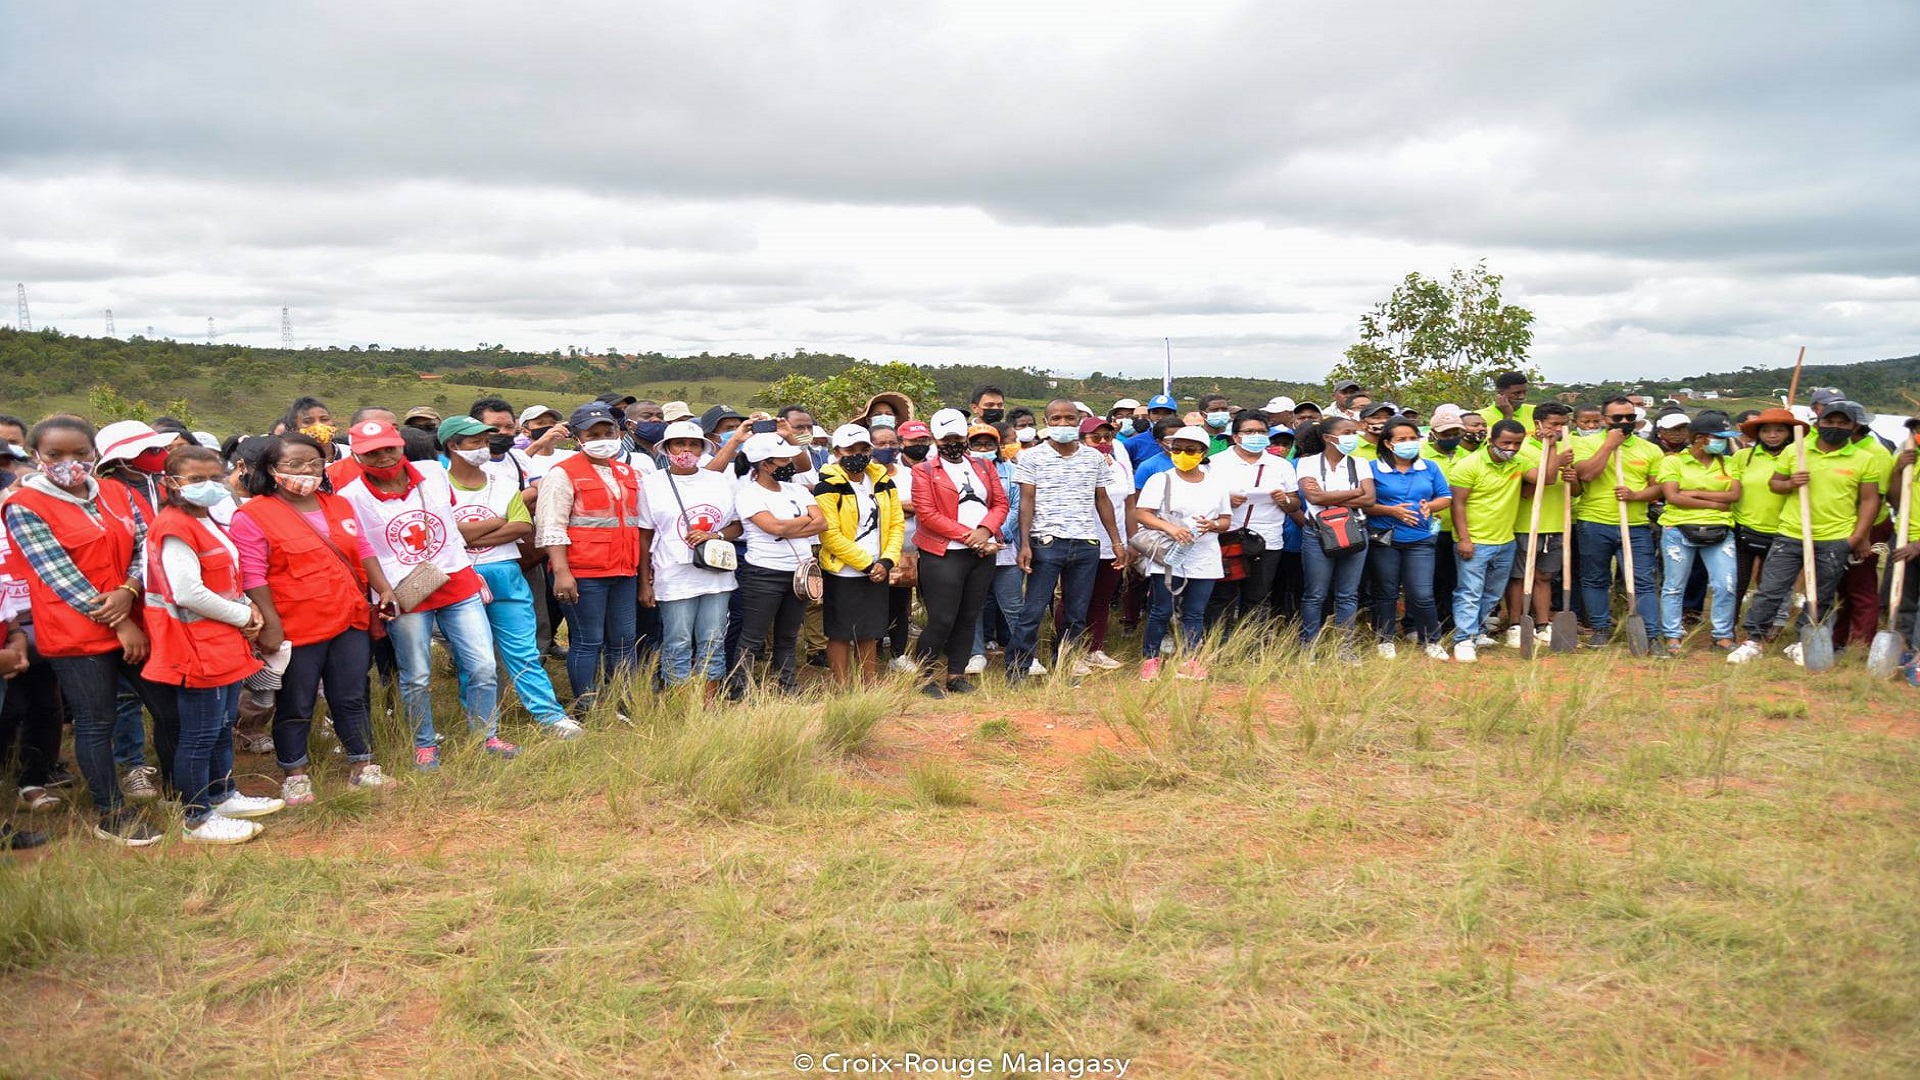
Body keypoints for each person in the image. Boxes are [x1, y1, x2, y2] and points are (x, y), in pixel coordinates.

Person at [3, 416, 180, 845]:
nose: (69, 463)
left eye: (80, 453)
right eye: (55, 455)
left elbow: (144, 546)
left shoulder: (118, 493)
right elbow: (59, 576)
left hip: (134, 616)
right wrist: (120, 621)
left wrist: (129, 589)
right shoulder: (24, 505)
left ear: (95, 454)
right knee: (95, 722)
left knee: (169, 709)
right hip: (75, 633)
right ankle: (111, 812)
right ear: (36, 457)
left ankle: (182, 793)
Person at [232, 433, 394, 803]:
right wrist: (271, 624)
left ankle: (362, 765)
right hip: (296, 623)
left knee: (351, 695)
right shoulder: (253, 515)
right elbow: (253, 575)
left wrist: (382, 587)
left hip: (348, 615)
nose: (306, 470)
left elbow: (363, 549)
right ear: (272, 470)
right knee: (296, 701)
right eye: (294, 464)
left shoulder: (338, 505)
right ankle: (295, 772)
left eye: (314, 462)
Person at [337, 419, 509, 767]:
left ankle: (485, 735)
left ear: (401, 445)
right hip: (405, 593)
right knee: (416, 674)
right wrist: (383, 590)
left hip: (457, 582)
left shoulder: (432, 471)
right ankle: (424, 743)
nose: (384, 457)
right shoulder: (350, 497)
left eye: (390, 448)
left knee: (483, 665)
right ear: (356, 457)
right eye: (372, 453)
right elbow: (363, 548)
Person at [142, 446, 288, 842]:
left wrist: (245, 610)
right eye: (195, 479)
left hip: (219, 641)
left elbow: (224, 578)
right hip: (194, 644)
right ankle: (197, 817)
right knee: (200, 733)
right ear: (170, 483)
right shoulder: (174, 526)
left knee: (221, 726)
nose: (207, 485)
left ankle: (223, 795)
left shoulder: (203, 520)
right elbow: (187, 591)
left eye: (214, 476)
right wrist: (244, 615)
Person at [439, 415, 582, 738]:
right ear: (452, 445)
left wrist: (465, 536)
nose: (482, 447)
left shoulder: (502, 484)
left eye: (484, 441)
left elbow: (522, 527)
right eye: (474, 441)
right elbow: (444, 533)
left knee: (524, 652)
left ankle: (550, 717)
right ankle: (483, 725)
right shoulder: (437, 487)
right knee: (475, 659)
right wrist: (495, 524)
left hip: (505, 572)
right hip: (462, 579)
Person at [1729, 402, 1880, 664]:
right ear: (1818, 423)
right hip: (1791, 533)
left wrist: (1855, 538)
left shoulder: (1864, 459)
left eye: (1843, 423)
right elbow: (1774, 484)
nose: (1835, 427)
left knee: (1820, 594)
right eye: (1830, 421)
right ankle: (1754, 639)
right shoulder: (1796, 451)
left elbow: (1869, 501)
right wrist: (1790, 483)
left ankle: (1803, 641)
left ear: (1854, 426)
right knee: (1771, 589)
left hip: (1835, 537)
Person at [1007, 400, 1129, 682]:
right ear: (1046, 421)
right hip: (1046, 543)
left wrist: (1116, 541)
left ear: (1078, 420)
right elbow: (1027, 501)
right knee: (1033, 610)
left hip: (1086, 543)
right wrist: (1025, 544)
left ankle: (1065, 665)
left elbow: (1103, 500)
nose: (1063, 424)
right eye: (1057, 418)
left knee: (1076, 612)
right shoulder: (1032, 457)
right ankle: (1018, 668)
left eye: (1069, 418)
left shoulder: (1093, 458)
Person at [536, 402, 643, 714]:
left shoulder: (627, 472)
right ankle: (587, 706)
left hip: (624, 570)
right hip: (584, 573)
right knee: (587, 641)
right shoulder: (562, 473)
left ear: (618, 432)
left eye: (607, 431)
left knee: (624, 641)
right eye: (592, 433)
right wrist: (562, 572)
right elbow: (551, 527)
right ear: (577, 438)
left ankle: (623, 703)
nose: (602, 438)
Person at [908, 409, 1009, 697]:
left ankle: (955, 674)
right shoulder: (923, 471)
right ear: (935, 440)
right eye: (945, 438)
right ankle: (924, 676)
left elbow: (1000, 504)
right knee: (942, 618)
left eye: (957, 436)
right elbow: (927, 514)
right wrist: (971, 537)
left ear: (966, 435)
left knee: (968, 615)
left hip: (981, 552)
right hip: (944, 553)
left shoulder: (983, 467)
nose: (952, 442)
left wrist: (985, 531)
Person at [639, 420, 740, 695]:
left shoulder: (719, 481)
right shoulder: (651, 483)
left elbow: (736, 525)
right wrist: (644, 583)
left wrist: (715, 536)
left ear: (702, 448)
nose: (686, 449)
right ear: (667, 448)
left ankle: (707, 700)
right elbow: (644, 535)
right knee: (678, 639)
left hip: (716, 574)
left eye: (693, 444)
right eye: (680, 444)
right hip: (672, 574)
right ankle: (680, 699)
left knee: (713, 639)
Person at [1131, 426, 1231, 680]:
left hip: (1204, 554)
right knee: (1161, 610)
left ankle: (1189, 660)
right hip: (1168, 554)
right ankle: (1151, 659)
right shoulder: (1161, 479)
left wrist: (1213, 526)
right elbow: (1142, 513)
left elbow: (1225, 520)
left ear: (1202, 452)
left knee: (1195, 612)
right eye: (1176, 449)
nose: (1182, 454)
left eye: (1190, 450)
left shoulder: (1217, 483)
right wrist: (1170, 528)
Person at [729, 434, 825, 695]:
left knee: (787, 636)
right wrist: (801, 523)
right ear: (765, 464)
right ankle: (740, 689)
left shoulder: (796, 489)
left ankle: (787, 686)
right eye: (784, 460)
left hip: (799, 574)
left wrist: (785, 529)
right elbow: (774, 527)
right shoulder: (749, 494)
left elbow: (822, 523)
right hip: (764, 573)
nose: (789, 464)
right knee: (752, 636)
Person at [813, 424, 905, 685]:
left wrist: (887, 561)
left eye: (864, 449)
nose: (858, 454)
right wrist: (867, 565)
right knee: (841, 632)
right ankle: (843, 685)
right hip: (844, 570)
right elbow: (829, 534)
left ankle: (869, 682)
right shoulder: (827, 486)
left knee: (871, 630)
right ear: (837, 451)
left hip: (879, 566)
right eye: (850, 449)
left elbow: (896, 524)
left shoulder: (884, 482)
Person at [1570, 397, 1664, 647]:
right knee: (1594, 578)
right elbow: (1587, 474)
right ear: (1604, 420)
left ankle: (1651, 635)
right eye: (1617, 418)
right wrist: (1609, 445)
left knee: (1642, 580)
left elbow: (1658, 490)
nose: (1624, 422)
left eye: (1630, 418)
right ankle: (1600, 629)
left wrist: (1636, 495)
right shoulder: (1585, 443)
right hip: (1594, 522)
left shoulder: (1650, 450)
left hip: (1635, 525)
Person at [1655, 411, 1742, 655]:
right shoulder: (1673, 461)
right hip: (1678, 529)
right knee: (1674, 585)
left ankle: (1722, 635)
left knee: (1726, 584)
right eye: (1720, 437)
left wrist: (1694, 493)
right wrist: (1716, 503)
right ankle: (1672, 635)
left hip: (1720, 530)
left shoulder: (1729, 462)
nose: (1724, 442)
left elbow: (1734, 495)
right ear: (1701, 438)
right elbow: (1672, 497)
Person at [1365, 417, 1453, 660]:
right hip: (1384, 539)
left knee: (1422, 593)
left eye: (1413, 438)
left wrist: (1430, 506)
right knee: (1386, 591)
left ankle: (1431, 640)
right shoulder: (1372, 468)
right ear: (1388, 443)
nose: (1409, 443)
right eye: (1402, 439)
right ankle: (1385, 639)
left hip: (1421, 539)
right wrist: (1391, 511)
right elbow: (1364, 503)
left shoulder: (1430, 467)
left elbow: (1445, 496)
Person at [1053, 416, 1135, 669]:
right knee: (1073, 599)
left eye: (1107, 437)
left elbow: (1129, 503)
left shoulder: (1120, 466)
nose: (1102, 442)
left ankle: (1095, 648)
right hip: (1081, 541)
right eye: (1095, 438)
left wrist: (1131, 541)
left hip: (1113, 543)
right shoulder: (1070, 465)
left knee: (1101, 598)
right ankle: (1068, 651)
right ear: (1082, 440)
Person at [1446, 420, 1530, 663]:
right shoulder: (1468, 465)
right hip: (1475, 541)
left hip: (1505, 540)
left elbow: (1543, 478)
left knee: (1492, 594)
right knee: (1469, 592)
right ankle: (1463, 640)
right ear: (1491, 440)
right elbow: (1457, 504)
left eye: (1517, 443)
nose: (1512, 448)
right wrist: (1464, 539)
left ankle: (1478, 631)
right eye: (1506, 442)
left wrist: (1554, 448)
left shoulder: (1518, 462)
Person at [1205, 411, 1298, 629]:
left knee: (1257, 596)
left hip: (1268, 539)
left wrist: (1283, 499)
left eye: (1261, 432)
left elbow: (1295, 503)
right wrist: (1225, 501)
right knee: (1221, 595)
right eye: (1249, 432)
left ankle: (1252, 647)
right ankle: (1217, 643)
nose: (1256, 435)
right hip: (1227, 537)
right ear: (1236, 436)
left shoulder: (1281, 465)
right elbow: (1201, 498)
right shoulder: (1215, 463)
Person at [1295, 418, 1375, 655]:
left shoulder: (1360, 463)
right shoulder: (1307, 463)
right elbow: (1314, 499)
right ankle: (1308, 646)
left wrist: (1329, 495)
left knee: (1348, 594)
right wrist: (1355, 492)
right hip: (1318, 532)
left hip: (1353, 530)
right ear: (1328, 438)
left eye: (1354, 432)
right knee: (1315, 594)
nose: (1353, 436)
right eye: (1347, 432)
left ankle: (1344, 648)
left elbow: (1369, 499)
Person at [1502, 403, 1576, 649]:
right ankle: (1515, 623)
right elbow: (1541, 481)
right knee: (1520, 576)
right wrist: (1555, 453)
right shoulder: (1522, 448)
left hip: (1556, 523)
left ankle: (1543, 624)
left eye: (1563, 424)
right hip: (1526, 523)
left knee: (1545, 576)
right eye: (1554, 424)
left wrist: (1573, 479)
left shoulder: (1567, 447)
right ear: (1538, 425)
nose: (1558, 429)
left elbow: (1574, 490)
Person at [1731, 408, 1797, 612]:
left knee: (1773, 586)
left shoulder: (1798, 458)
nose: (1772, 435)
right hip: (1743, 529)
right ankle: (1727, 629)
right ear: (1758, 433)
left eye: (1779, 430)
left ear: (1790, 434)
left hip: (1782, 531)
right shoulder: (1743, 456)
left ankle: (1767, 628)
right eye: (1766, 430)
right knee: (1736, 583)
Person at [871, 422, 919, 671]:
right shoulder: (864, 476)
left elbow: (919, 506)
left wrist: (887, 507)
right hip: (869, 550)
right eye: (881, 443)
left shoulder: (909, 475)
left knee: (899, 604)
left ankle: (898, 654)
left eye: (892, 443)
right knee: (872, 602)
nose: (888, 447)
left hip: (903, 550)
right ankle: (872, 650)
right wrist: (901, 507)